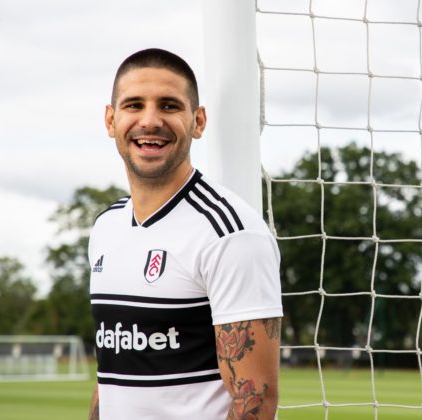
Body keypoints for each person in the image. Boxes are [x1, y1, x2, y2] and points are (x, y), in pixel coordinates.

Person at [88, 48, 283, 420]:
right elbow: (109, 374)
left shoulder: (231, 235)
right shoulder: (105, 227)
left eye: (169, 106)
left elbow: (254, 400)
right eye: (134, 105)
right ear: (111, 120)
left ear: (198, 121)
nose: (150, 121)